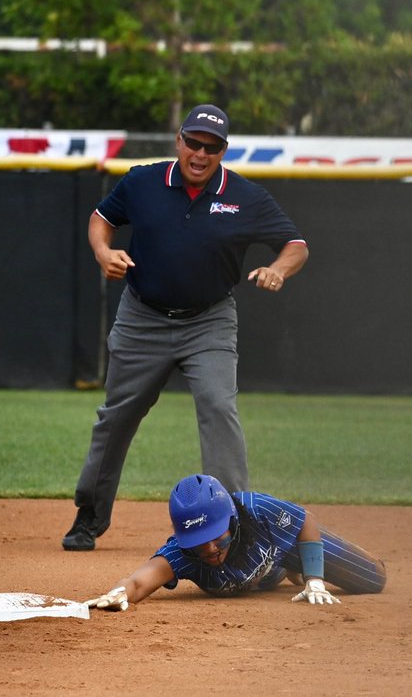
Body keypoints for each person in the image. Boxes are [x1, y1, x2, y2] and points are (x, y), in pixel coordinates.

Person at [62, 104, 309, 552]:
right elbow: (102, 218)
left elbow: (295, 244)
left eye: (211, 147)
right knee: (117, 416)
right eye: (193, 142)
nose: (200, 153)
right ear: (179, 140)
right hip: (143, 317)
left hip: (209, 320)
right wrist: (103, 252)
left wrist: (279, 269)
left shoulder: (246, 196)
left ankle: (237, 526)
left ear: (223, 152)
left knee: (219, 408)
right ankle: (88, 517)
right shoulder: (143, 181)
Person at [84, 474, 386, 610]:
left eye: (217, 539)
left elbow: (303, 519)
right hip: (265, 574)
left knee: (374, 578)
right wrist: (119, 592)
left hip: (284, 550)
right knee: (272, 574)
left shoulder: (255, 510)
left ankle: (298, 570)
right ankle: (288, 573)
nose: (211, 550)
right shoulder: (183, 553)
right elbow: (139, 580)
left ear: (232, 521)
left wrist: (316, 580)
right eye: (199, 544)